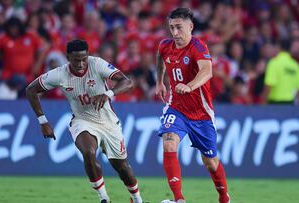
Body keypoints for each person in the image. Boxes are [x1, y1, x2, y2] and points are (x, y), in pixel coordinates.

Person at [26, 39, 143, 203]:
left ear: (88, 55)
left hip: (109, 123)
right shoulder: (60, 74)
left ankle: (137, 199)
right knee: (88, 152)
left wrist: (108, 94)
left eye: (84, 59)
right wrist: (43, 121)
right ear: (68, 57)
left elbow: (127, 82)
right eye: (76, 60)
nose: (81, 64)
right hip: (82, 120)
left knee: (122, 167)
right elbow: (30, 90)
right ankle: (104, 198)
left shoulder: (97, 64)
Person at [155, 8, 230, 203]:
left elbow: (207, 72)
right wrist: (159, 81)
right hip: (177, 108)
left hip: (201, 113)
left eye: (179, 27)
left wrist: (189, 87)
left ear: (190, 26)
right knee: (169, 140)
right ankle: (179, 199)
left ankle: (224, 196)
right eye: (172, 28)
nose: (175, 33)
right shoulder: (165, 46)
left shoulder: (198, 47)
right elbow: (160, 59)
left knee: (210, 162)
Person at [263, 39, 299, 104]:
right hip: (290, 103)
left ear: (278, 47)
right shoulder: (295, 65)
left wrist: (264, 101)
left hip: (274, 103)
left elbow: (269, 85)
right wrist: (295, 101)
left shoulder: (274, 63)